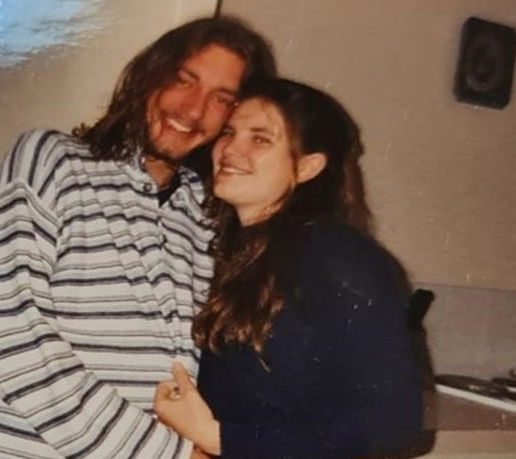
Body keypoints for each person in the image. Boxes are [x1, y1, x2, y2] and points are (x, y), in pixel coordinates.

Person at [0, 15, 276, 459]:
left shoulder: (208, 213)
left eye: (220, 99)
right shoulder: (52, 159)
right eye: (184, 80)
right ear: (149, 75)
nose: (193, 110)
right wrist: (165, 455)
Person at [153, 78, 424, 458]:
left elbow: (394, 420)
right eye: (229, 132)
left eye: (260, 139)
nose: (230, 148)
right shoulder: (230, 252)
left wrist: (221, 439)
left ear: (308, 166)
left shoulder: (336, 254)